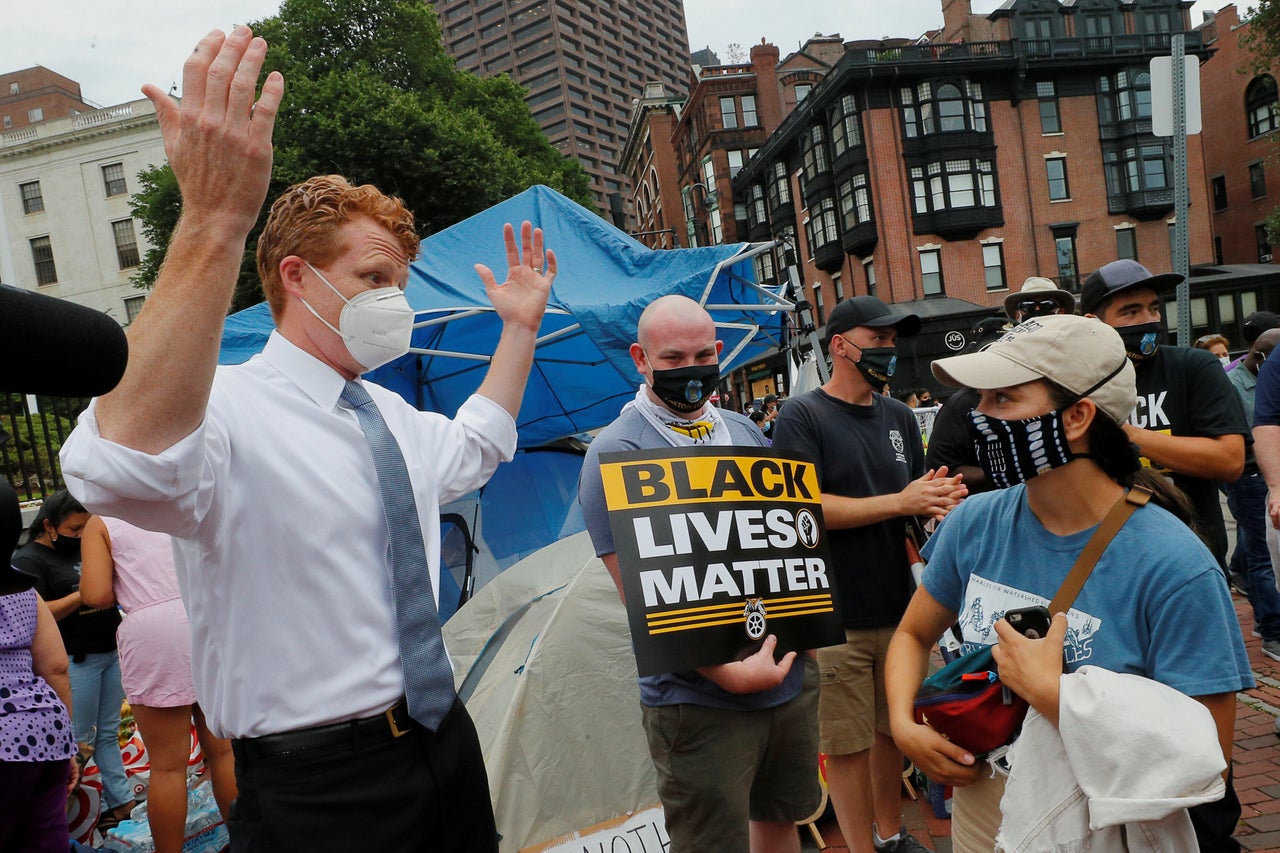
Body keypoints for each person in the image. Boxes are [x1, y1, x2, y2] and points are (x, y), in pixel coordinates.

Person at [60, 26, 554, 852]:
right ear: (296, 275)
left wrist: (519, 330)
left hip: (444, 743)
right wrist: (214, 220)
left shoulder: (390, 416)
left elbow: (477, 444)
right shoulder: (220, 408)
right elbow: (114, 468)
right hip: (318, 787)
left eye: (398, 282)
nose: (394, 299)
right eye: (372, 278)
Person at [884, 314, 1252, 853]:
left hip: (1103, 822)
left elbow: (1207, 758)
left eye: (1003, 400)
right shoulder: (975, 522)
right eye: (979, 399)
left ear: (1078, 415)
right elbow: (913, 635)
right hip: (985, 806)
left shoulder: (1174, 565)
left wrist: (1053, 693)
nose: (977, 419)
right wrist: (902, 724)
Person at [577, 294, 819, 853]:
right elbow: (642, 597)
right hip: (697, 702)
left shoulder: (745, 431)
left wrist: (801, 645)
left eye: (703, 355)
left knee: (782, 821)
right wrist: (729, 675)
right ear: (641, 359)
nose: (692, 371)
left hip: (785, 679)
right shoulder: (615, 452)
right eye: (674, 359)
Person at [771, 296, 967, 853]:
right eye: (876, 340)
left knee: (892, 732)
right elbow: (798, 508)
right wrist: (900, 501)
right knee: (848, 744)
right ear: (839, 346)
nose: (888, 351)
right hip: (837, 614)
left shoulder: (901, 416)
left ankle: (889, 835)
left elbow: (908, 501)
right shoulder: (802, 415)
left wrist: (935, 503)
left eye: (891, 341)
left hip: (901, 610)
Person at [79, 516, 236, 852]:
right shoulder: (179, 501)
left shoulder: (101, 522)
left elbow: (95, 594)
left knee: (167, 768)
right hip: (203, 616)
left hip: (152, 631)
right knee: (223, 753)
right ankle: (244, 840)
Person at [1081, 259, 1247, 574]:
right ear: (1094, 323)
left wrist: (1127, 434)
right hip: (1108, 566)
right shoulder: (1074, 382)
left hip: (1193, 563)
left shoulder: (1194, 368)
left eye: (1154, 308)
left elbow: (1230, 460)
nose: (1149, 320)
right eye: (1130, 312)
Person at [10, 492, 134, 830]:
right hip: (75, 660)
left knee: (106, 733)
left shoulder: (86, 548)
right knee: (75, 742)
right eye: (74, 529)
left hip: (108, 652)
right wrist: (84, 593)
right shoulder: (30, 560)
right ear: (49, 526)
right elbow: (36, 612)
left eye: (85, 528)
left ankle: (121, 805)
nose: (80, 536)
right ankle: (62, 820)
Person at [0, 583, 78, 852]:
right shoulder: (24, 590)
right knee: (46, 839)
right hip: (45, 729)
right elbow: (56, 668)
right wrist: (68, 748)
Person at [1224, 330, 1280, 661]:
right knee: (1261, 556)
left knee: (1250, 550)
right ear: (1258, 356)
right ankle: (1271, 629)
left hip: (1263, 476)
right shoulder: (1233, 385)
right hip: (1248, 477)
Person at [924, 317, 1009, 494]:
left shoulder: (1042, 398)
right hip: (981, 513)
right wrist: (1006, 471)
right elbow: (941, 471)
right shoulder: (961, 404)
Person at [1002, 276, 1076, 323]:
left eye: (1047, 305)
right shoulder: (1008, 346)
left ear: (1061, 312)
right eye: (1028, 305)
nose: (1037, 309)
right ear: (1017, 315)